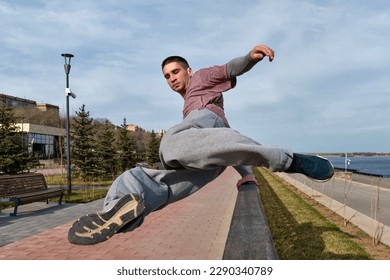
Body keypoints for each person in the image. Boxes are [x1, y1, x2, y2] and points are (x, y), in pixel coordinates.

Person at [68, 44, 334, 245]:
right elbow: (229, 146)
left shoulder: (201, 80)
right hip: (209, 155)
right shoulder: (194, 114)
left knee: (169, 143)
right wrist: (247, 176)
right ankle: (119, 208)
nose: (171, 78)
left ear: (189, 71)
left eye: (175, 72)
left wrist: (251, 58)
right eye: (166, 76)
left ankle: (288, 160)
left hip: (206, 121)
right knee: (154, 182)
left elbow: (229, 69)